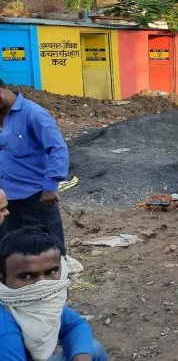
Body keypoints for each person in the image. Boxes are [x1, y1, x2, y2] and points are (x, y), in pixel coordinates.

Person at [0, 225, 109, 361]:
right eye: (27, 276)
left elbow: (74, 325)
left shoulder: (36, 304)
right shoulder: (4, 331)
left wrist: (81, 356)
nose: (42, 284)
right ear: (2, 279)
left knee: (92, 349)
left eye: (51, 272)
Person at [0, 78, 69, 251]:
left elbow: (57, 148)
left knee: (49, 246)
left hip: (36, 197)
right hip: (5, 200)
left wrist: (51, 185)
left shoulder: (34, 114)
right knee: (9, 248)